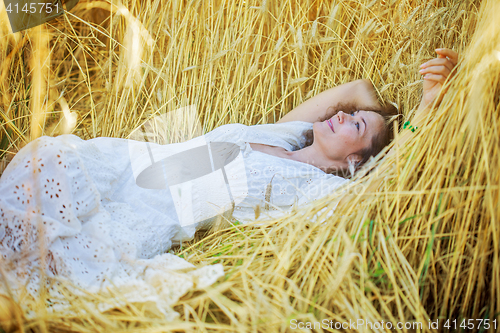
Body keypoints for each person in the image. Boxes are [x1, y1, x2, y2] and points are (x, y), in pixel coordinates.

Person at [0, 48, 458, 306]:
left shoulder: (318, 190)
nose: (344, 116)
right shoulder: (289, 135)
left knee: (44, 260)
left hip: (148, 209)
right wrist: (373, 116)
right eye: (349, 116)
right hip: (127, 161)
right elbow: (355, 90)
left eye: (355, 125)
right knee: (41, 163)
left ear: (355, 164)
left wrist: (424, 107)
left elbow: (385, 188)